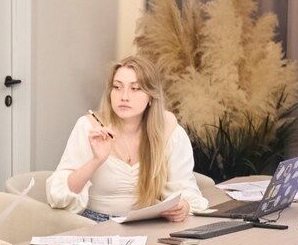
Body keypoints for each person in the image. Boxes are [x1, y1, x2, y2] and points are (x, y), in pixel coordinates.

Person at [45, 57, 197, 220]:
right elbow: (58, 197)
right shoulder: (89, 127)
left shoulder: (168, 130)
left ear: (151, 96)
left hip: (149, 222)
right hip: (96, 224)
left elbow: (184, 187)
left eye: (135, 88)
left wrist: (184, 206)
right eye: (117, 87)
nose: (124, 96)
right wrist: (97, 160)